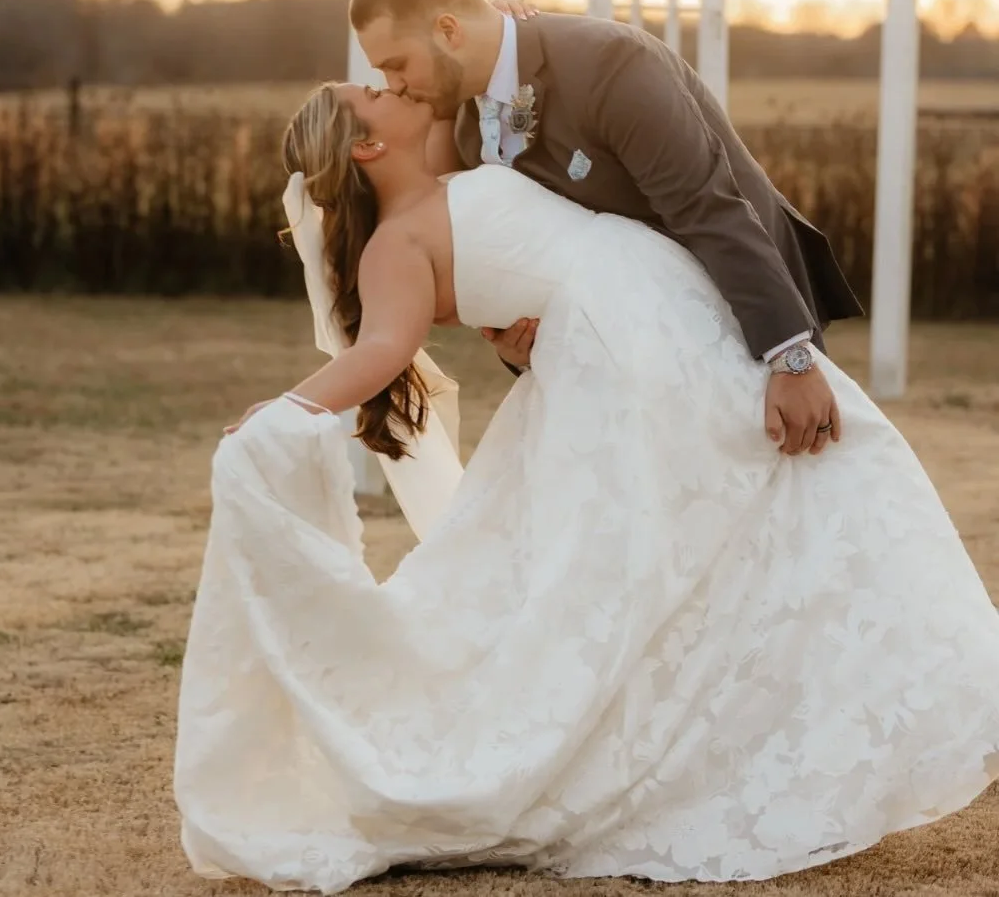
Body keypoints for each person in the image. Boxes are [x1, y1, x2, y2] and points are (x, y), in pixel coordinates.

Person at [174, 80, 999, 893]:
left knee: (821, 487)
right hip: (624, 352)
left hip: (666, 312)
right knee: (690, 544)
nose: (385, 83)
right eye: (370, 92)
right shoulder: (396, 243)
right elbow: (382, 349)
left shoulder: (453, 173)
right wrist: (287, 409)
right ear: (365, 146)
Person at [350, 0, 864, 456]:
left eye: (397, 65)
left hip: (735, 321)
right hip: (634, 361)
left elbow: (708, 206)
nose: (394, 86)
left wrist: (789, 358)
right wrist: (520, 343)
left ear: (448, 30)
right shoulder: (467, 129)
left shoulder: (610, 63)